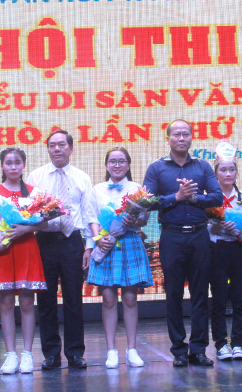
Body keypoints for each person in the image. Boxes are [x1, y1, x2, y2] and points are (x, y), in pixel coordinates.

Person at [143, 119, 223, 367]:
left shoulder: (203, 166)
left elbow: (217, 197)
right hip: (172, 236)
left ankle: (198, 349)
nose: (181, 138)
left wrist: (194, 198)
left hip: (200, 235)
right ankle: (178, 350)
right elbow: (147, 201)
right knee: (173, 294)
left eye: (185, 134)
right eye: (176, 134)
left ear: (191, 138)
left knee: (200, 293)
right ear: (167, 138)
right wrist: (176, 197)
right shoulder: (157, 168)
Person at [26, 130, 94, 370]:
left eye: (61, 145)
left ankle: (75, 353)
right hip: (44, 241)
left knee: (74, 299)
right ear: (48, 149)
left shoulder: (82, 178)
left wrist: (89, 246)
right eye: (52, 145)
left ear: (71, 148)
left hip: (73, 241)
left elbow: (88, 215)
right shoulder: (36, 176)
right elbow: (29, 212)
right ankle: (51, 354)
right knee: (45, 300)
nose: (57, 149)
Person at [87, 147, 153, 369]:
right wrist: (98, 239)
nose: (117, 165)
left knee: (130, 299)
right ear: (106, 165)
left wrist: (134, 221)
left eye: (121, 161)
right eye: (113, 161)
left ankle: (132, 350)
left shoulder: (136, 189)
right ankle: (111, 351)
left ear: (128, 165)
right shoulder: (97, 189)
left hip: (129, 242)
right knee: (108, 299)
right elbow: (91, 217)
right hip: (106, 244)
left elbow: (144, 219)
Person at [0, 147, 47, 374]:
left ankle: (28, 354)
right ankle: (10, 354)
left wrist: (24, 229)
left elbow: (43, 223)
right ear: (2, 166)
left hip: (26, 248)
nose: (13, 167)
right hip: (3, 250)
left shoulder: (34, 192)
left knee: (28, 303)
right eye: (8, 163)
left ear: (23, 165)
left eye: (17, 163)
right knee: (6, 303)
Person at [208, 140, 242, 361]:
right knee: (219, 299)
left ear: (237, 172)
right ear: (216, 173)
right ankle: (221, 345)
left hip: (239, 250)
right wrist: (217, 225)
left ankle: (238, 343)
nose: (228, 173)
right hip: (217, 250)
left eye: (232, 169)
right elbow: (203, 226)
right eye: (223, 169)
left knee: (240, 298)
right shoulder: (210, 198)